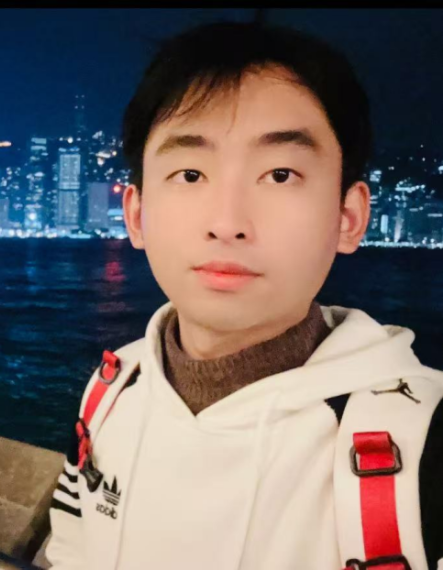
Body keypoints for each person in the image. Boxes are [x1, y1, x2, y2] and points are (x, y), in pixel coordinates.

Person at [45, 20, 443, 570]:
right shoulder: (110, 392)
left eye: (280, 174)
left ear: (349, 217)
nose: (227, 222)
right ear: (136, 215)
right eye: (190, 174)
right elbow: (71, 544)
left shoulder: (421, 445)